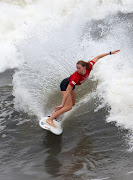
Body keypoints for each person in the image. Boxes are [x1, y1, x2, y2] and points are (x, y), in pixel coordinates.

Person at [46, 50, 120, 127]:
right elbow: (67, 91)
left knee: (72, 104)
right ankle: (50, 119)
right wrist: (62, 104)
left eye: (79, 68)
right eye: (76, 68)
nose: (77, 70)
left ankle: (55, 113)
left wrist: (110, 53)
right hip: (65, 85)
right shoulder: (76, 77)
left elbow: (98, 57)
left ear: (84, 67)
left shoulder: (89, 66)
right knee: (68, 107)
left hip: (71, 86)